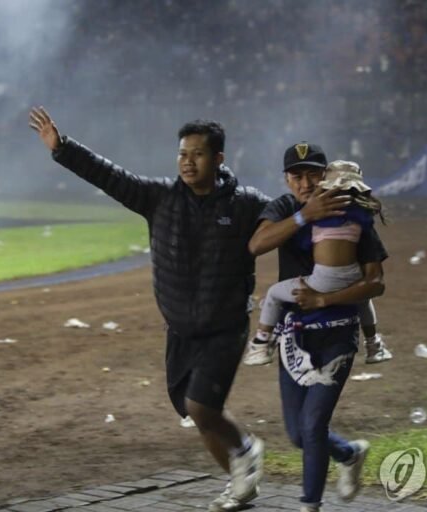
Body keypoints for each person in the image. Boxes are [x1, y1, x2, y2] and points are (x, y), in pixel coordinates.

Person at [28, 107, 269, 512]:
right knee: (197, 413)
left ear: (219, 159)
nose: (187, 162)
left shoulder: (246, 204)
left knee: (201, 407)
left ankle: (246, 449)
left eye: (197, 154)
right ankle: (239, 479)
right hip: (179, 330)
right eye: (182, 154)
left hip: (224, 327)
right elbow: (110, 176)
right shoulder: (159, 198)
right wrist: (63, 148)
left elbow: (281, 220)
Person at [248, 142, 389, 512]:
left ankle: (309, 505)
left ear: (326, 175)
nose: (306, 182)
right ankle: (349, 453)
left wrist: (325, 300)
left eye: (314, 174)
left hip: (338, 331)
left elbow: (376, 282)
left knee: (312, 426)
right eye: (298, 176)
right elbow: (256, 244)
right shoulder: (283, 208)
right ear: (287, 179)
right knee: (298, 434)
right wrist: (304, 217)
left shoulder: (350, 210)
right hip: (294, 336)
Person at [243, 161, 392, 367]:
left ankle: (261, 343)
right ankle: (374, 343)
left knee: (274, 294)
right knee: (364, 300)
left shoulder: (320, 216)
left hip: (321, 281)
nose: (306, 184)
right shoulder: (361, 216)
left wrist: (304, 224)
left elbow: (305, 244)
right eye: (297, 177)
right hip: (353, 277)